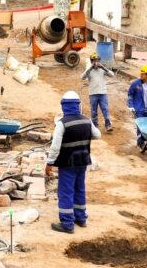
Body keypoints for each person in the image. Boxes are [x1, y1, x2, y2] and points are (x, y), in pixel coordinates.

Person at [45, 91, 101, 234]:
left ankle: (67, 223)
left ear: (64, 106)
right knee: (79, 189)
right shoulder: (86, 120)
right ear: (78, 105)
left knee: (66, 192)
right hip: (82, 162)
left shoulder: (62, 124)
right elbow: (97, 135)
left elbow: (55, 147)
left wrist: (49, 163)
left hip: (67, 164)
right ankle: (81, 219)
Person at [81, 52, 115, 132]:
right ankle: (95, 127)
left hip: (103, 93)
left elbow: (112, 75)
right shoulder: (89, 70)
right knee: (93, 112)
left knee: (105, 110)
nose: (95, 63)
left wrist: (103, 68)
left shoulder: (102, 70)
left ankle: (108, 125)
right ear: (91, 62)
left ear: (99, 61)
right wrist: (90, 68)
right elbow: (82, 77)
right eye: (93, 61)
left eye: (97, 61)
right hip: (93, 94)